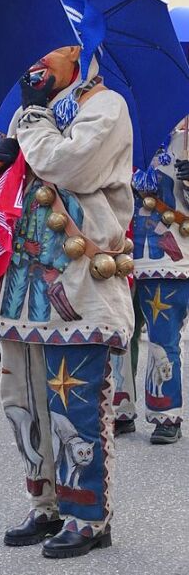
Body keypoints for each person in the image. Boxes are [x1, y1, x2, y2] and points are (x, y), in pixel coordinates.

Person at [0, 0, 134, 559]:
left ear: (77, 49)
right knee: (21, 397)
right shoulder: (36, 110)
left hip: (78, 282)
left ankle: (86, 514)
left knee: (73, 402)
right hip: (25, 283)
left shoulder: (108, 106)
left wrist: (31, 120)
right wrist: (3, 154)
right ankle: (45, 502)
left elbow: (71, 165)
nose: (35, 56)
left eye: (47, 43)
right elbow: (10, 187)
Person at [117, 120, 189, 444]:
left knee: (163, 337)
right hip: (120, 252)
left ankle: (165, 414)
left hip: (166, 259)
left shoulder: (184, 140)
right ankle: (119, 409)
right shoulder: (126, 135)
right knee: (119, 333)